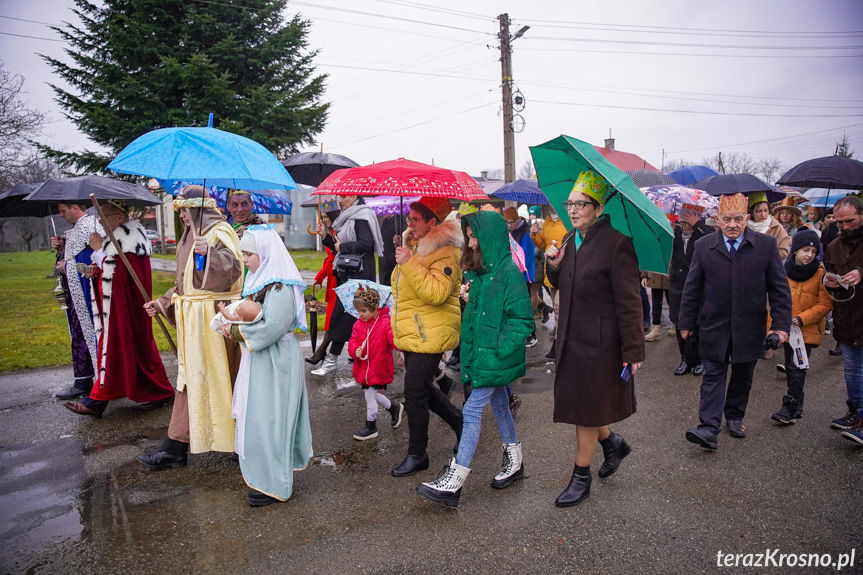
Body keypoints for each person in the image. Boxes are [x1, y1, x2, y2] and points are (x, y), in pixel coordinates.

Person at [417, 210, 534, 507]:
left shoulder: (508, 273)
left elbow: (521, 320)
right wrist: (470, 299)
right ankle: (515, 461)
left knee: (470, 411)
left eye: (474, 236)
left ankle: (455, 479)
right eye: (468, 236)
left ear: (490, 237)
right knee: (500, 407)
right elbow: (478, 318)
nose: (470, 243)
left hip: (493, 357)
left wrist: (499, 351)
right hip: (480, 355)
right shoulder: (480, 273)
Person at [545, 171, 644, 507]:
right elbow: (563, 280)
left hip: (602, 345)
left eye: (581, 204)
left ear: (598, 208)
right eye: (570, 203)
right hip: (571, 338)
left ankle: (580, 476)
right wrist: (553, 265)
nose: (572, 210)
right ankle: (613, 443)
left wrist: (633, 350)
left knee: (586, 409)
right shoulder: (573, 240)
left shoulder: (617, 244)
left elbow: (630, 301)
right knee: (582, 404)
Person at [138, 185, 243, 468]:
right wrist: (162, 303)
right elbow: (185, 284)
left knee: (221, 381)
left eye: (185, 210)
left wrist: (209, 253)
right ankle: (177, 446)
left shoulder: (219, 232)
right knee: (193, 380)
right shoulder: (190, 236)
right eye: (180, 211)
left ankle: (234, 441)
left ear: (198, 208)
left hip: (213, 321)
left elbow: (232, 272)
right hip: (196, 321)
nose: (182, 216)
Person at [680, 193, 792, 450]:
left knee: (743, 375)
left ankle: (734, 416)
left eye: (738, 219)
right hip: (713, 325)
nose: (732, 224)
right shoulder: (704, 246)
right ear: (718, 220)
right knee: (713, 375)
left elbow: (779, 289)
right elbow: (692, 288)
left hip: (749, 327)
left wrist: (781, 326)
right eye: (727, 219)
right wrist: (685, 323)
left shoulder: (764, 245)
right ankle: (708, 427)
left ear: (747, 219)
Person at [214, 225, 312, 506]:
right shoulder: (262, 280)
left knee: (273, 421)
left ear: (266, 252)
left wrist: (234, 331)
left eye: (248, 254)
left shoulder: (280, 287)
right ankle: (269, 475)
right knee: (261, 417)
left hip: (277, 360)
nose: (244, 259)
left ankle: (276, 484)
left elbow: (271, 328)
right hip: (263, 359)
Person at [63, 200, 174, 417]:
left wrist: (98, 250)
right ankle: (161, 392)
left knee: (114, 349)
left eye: (105, 216)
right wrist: (96, 268)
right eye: (99, 216)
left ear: (120, 217)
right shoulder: (118, 239)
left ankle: (96, 401)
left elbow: (122, 275)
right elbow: (112, 270)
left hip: (125, 308)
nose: (100, 222)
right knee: (140, 352)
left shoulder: (130, 241)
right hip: (119, 306)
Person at [390, 196, 464, 477]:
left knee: (414, 392)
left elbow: (436, 293)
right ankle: (460, 422)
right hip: (415, 330)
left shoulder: (446, 251)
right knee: (421, 389)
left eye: (416, 219)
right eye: (409, 217)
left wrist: (409, 262)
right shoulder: (415, 246)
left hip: (431, 332)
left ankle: (418, 454)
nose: (410, 223)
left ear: (433, 222)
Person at [310, 195, 384, 376]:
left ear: (353, 196)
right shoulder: (348, 216)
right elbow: (337, 246)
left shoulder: (361, 215)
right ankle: (369, 361)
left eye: (342, 197)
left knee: (344, 317)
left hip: (359, 276)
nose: (340, 201)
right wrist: (325, 236)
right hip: (347, 273)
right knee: (356, 320)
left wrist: (342, 247)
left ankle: (331, 360)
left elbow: (366, 244)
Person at [771, 230, 832, 424]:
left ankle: (789, 407)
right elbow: (776, 297)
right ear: (795, 250)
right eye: (805, 250)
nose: (809, 255)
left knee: (797, 367)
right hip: (786, 328)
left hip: (806, 329)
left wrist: (802, 318)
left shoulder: (821, 273)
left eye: (814, 251)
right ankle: (797, 405)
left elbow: (825, 304)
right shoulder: (783, 269)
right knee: (791, 367)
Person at [822, 196, 863, 445]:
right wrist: (830, 282)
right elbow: (828, 273)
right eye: (840, 222)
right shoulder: (834, 245)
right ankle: (855, 411)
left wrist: (861, 272)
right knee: (851, 369)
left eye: (850, 220)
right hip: (847, 317)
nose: (845, 226)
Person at [53, 202, 103, 400]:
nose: (61, 215)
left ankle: (97, 382)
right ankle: (84, 381)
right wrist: (61, 249)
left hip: (88, 294)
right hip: (77, 294)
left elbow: (95, 261)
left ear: (75, 207)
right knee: (80, 335)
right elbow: (74, 255)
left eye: (63, 210)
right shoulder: (75, 229)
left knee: (91, 334)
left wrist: (68, 267)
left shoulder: (91, 226)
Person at [347, 286, 404, 441]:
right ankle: (394, 408)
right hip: (363, 368)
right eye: (359, 311)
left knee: (370, 396)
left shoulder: (385, 323)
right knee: (371, 394)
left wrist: (401, 351)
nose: (360, 314)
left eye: (364, 311)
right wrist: (355, 350)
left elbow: (393, 341)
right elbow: (353, 340)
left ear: (374, 309)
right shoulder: (358, 324)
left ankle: (371, 426)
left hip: (379, 368)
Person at [667, 210, 709, 376]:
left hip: (698, 286)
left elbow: (710, 238)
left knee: (698, 324)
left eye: (688, 220)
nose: (685, 224)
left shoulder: (703, 232)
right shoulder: (675, 233)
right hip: (678, 286)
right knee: (679, 323)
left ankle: (700, 359)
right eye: (682, 220)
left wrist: (696, 224)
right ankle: (685, 358)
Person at [530, 205, 566, 358]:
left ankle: (562, 337)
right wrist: (535, 235)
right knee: (555, 303)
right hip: (550, 269)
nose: (551, 207)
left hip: (564, 266)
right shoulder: (546, 223)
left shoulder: (566, 221)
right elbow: (543, 245)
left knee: (562, 305)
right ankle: (559, 331)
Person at [305, 207, 340, 365]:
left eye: (325, 217)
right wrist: (320, 278)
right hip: (333, 279)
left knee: (334, 318)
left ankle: (321, 351)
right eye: (322, 216)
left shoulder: (337, 234)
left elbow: (331, 260)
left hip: (338, 279)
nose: (323, 220)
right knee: (334, 318)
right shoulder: (331, 233)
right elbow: (328, 260)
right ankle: (322, 351)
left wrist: (320, 277)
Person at [504, 206, 538, 348]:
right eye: (508, 222)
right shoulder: (509, 232)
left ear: (518, 219)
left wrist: (520, 271)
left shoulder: (525, 233)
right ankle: (521, 331)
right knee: (517, 305)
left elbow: (527, 257)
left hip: (524, 275)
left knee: (525, 305)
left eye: (512, 221)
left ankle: (531, 333)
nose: (510, 225)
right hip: (513, 274)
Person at [747, 192, 791, 260]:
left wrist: (766, 251)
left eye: (766, 210)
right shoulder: (744, 226)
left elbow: (783, 253)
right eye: (758, 211)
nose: (763, 214)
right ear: (752, 212)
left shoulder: (777, 227)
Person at [642, 271, 671, 342]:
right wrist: (644, 275)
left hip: (670, 274)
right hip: (654, 275)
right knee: (656, 302)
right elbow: (648, 260)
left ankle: (675, 324)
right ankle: (656, 328)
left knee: (672, 301)